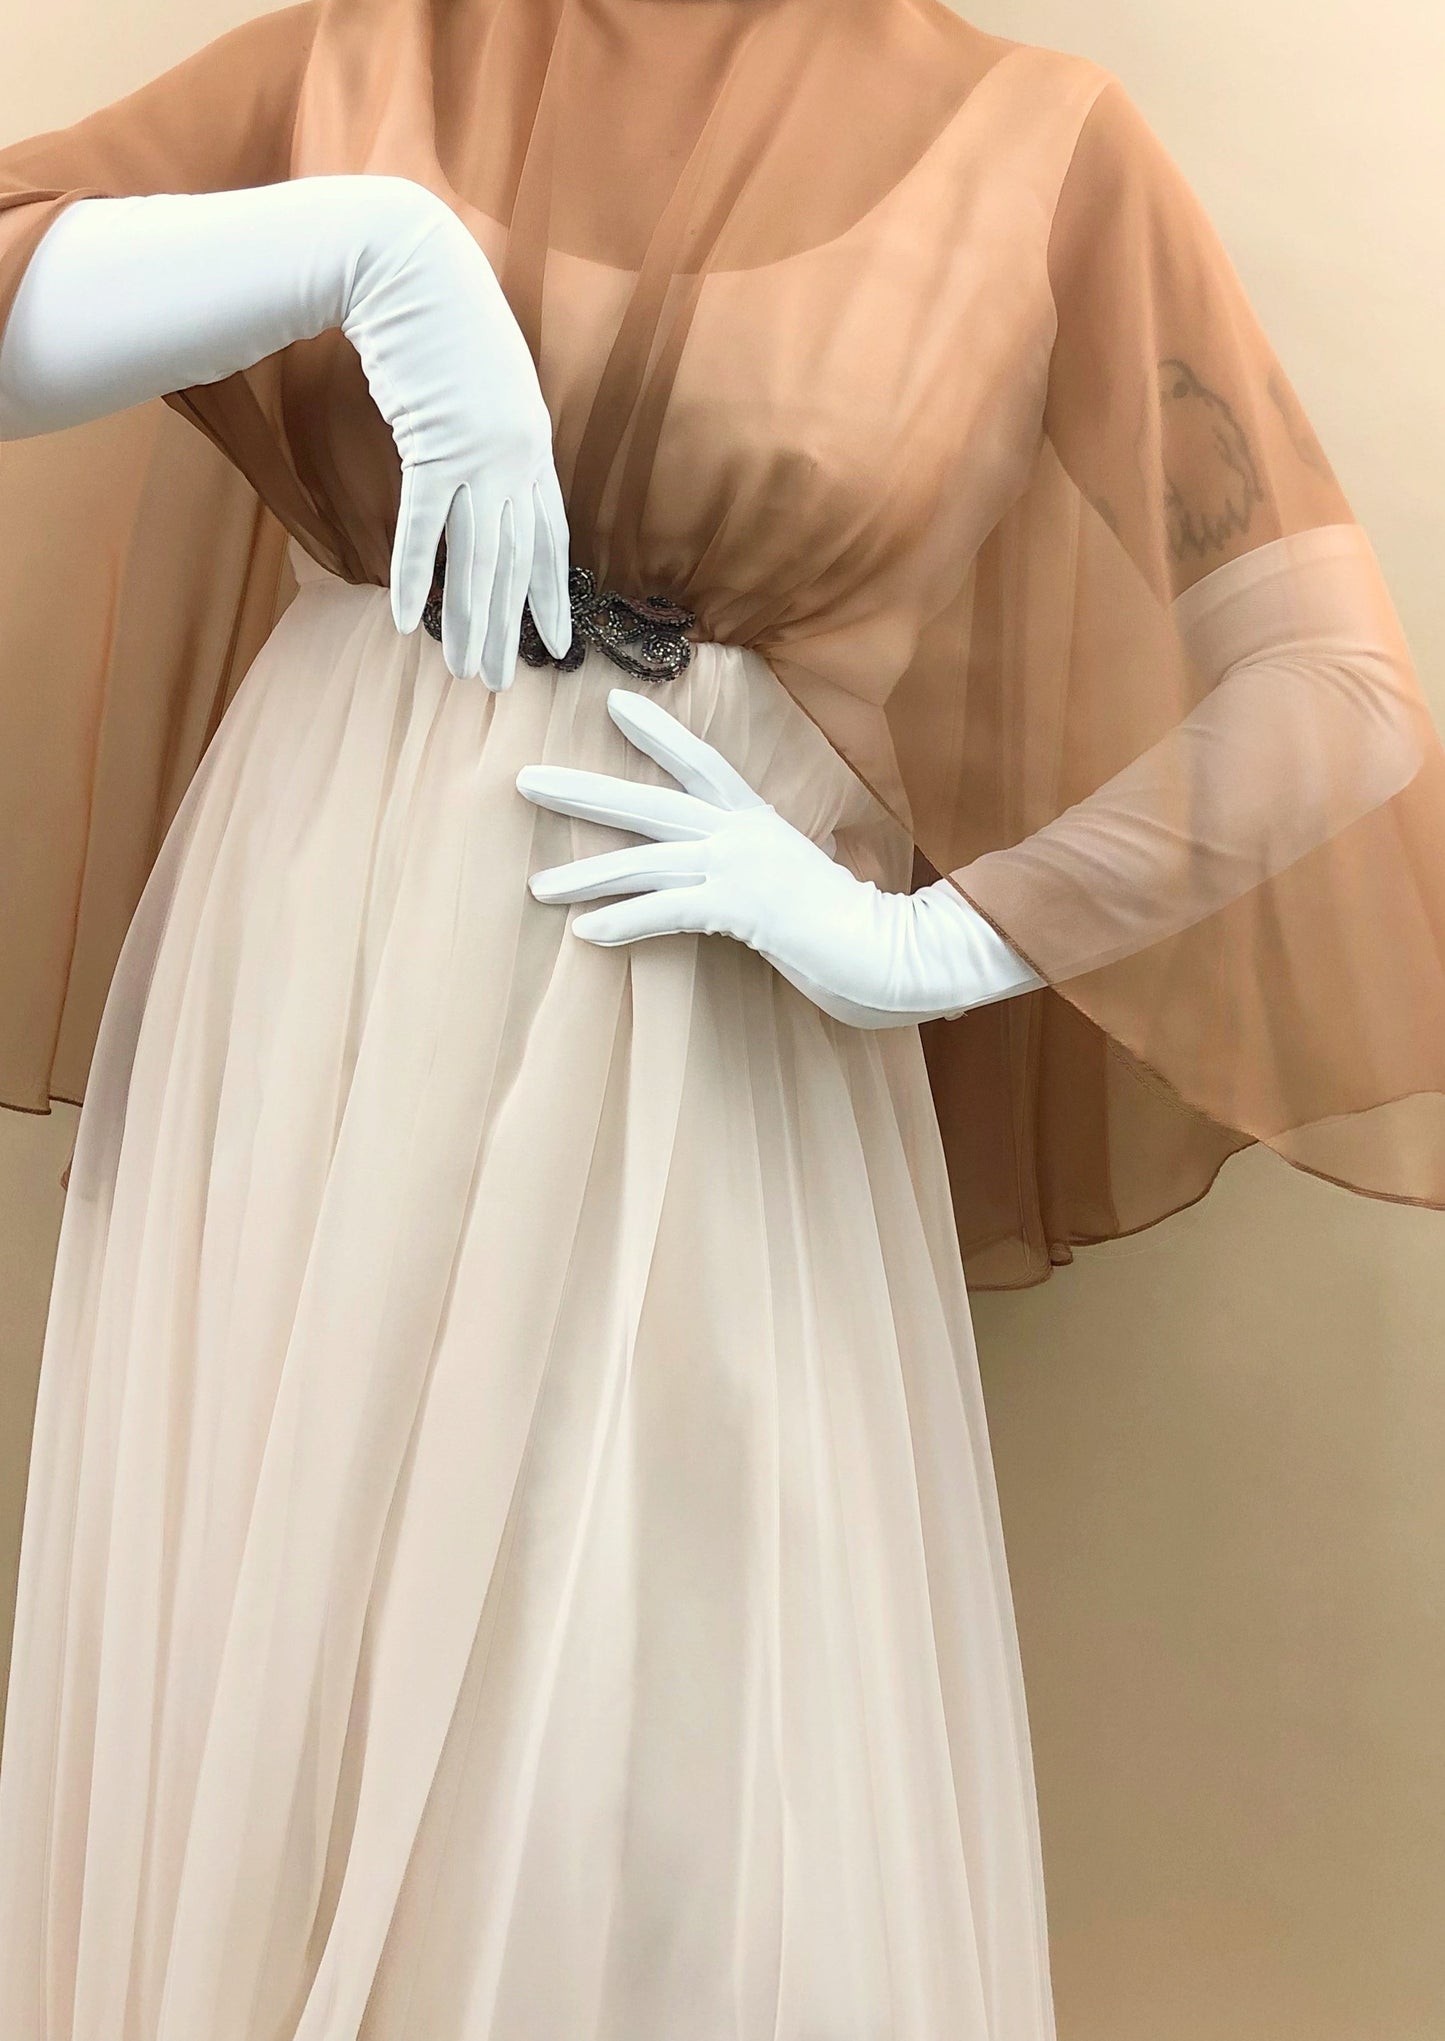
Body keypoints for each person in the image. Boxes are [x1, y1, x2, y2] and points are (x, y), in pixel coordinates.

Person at [1, 0, 1443, 2034]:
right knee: (276, 1696)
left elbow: (1331, 694)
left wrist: (939, 940)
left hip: (699, 1024)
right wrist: (363, 250)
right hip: (310, 986)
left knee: (635, 1754)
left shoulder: (1039, 150)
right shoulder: (382, 49)